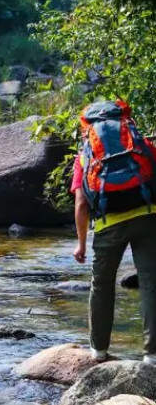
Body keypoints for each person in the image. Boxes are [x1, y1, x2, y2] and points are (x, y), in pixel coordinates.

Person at [71, 100, 156, 365]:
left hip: (108, 224)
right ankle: (152, 355)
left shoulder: (85, 155)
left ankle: (98, 351)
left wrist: (81, 244)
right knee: (151, 284)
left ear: (88, 127)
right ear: (124, 120)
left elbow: (82, 204)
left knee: (102, 286)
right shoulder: (140, 144)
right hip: (147, 218)